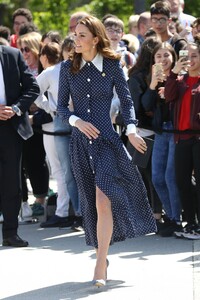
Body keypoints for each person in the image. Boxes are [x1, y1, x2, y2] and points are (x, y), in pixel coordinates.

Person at [57, 15, 156, 287]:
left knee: (103, 199)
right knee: (92, 201)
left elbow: (126, 101)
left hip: (107, 142)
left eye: (81, 36)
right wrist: (77, 121)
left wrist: (132, 130)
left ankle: (100, 263)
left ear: (95, 39)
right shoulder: (67, 68)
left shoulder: (112, 65)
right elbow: (62, 108)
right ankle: (103, 252)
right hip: (80, 143)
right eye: (75, 35)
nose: (76, 40)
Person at [35, 42, 81, 228]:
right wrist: (48, 106)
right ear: (62, 52)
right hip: (61, 120)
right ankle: (77, 213)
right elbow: (33, 90)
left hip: (83, 119)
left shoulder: (87, 68)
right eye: (67, 49)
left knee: (85, 168)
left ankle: (87, 213)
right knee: (67, 170)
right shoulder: (52, 72)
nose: (71, 52)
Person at [0, 45, 39, 247]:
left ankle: (10, 232)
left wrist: (15, 109)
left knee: (11, 183)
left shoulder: (12, 55)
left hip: (11, 127)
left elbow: (33, 88)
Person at [141, 42, 182, 237]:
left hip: (175, 131)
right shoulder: (153, 79)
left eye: (167, 55)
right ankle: (171, 215)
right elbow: (145, 105)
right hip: (160, 132)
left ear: (173, 58)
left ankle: (177, 218)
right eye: (158, 56)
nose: (163, 60)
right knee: (157, 177)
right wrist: (153, 84)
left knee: (170, 177)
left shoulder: (180, 78)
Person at [165, 35, 200, 239]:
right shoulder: (180, 81)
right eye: (188, 56)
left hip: (198, 138)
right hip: (181, 138)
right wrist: (174, 72)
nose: (191, 59)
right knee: (181, 181)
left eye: (195, 55)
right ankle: (190, 222)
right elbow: (169, 96)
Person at [128, 37, 163, 229]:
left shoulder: (162, 75)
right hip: (143, 132)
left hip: (152, 131)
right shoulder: (138, 78)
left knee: (151, 176)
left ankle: (153, 215)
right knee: (147, 176)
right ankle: (153, 216)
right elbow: (137, 107)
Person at [18, 32, 50, 217]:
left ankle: (41, 199)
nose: (24, 53)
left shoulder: (44, 70)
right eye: (21, 49)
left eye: (27, 49)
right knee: (27, 161)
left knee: (37, 161)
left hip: (43, 121)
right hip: (26, 120)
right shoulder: (20, 69)